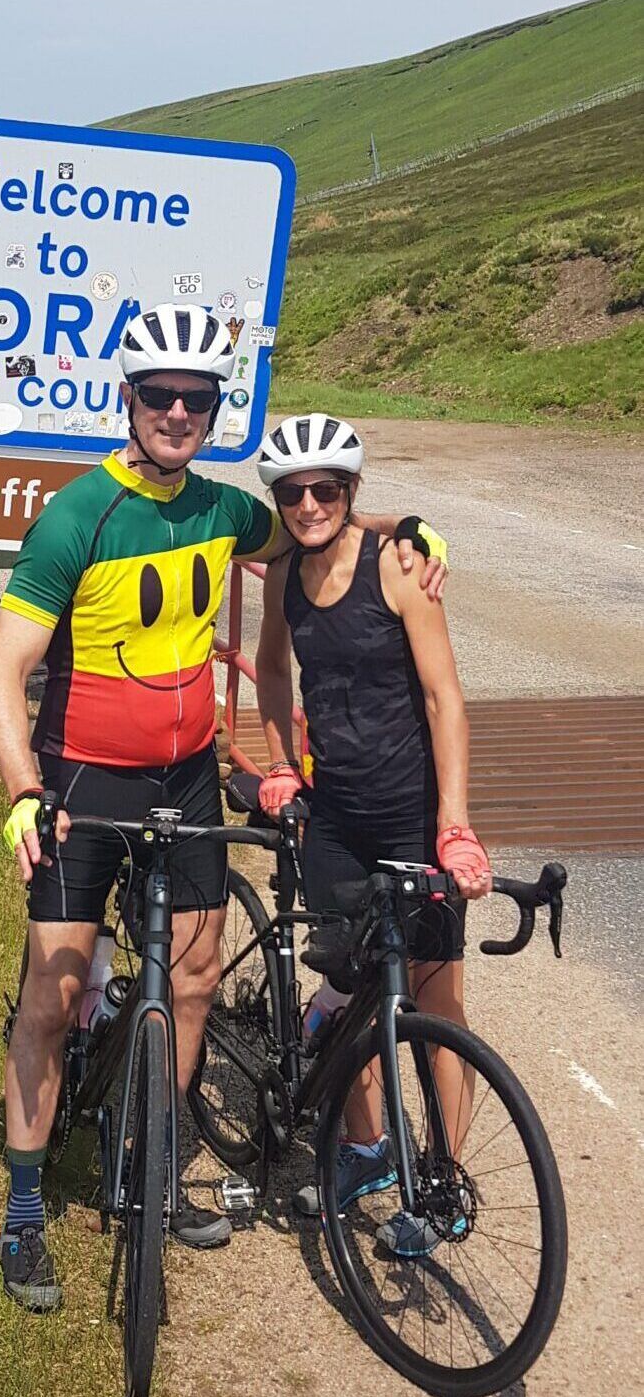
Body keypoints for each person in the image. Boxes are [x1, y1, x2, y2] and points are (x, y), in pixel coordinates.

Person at [0, 307, 447, 1310]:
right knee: (53, 997)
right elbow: (2, 670)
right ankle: (22, 1212)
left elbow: (321, 522)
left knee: (190, 980)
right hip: (79, 780)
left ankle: (153, 1173)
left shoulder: (228, 510)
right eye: (161, 395)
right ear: (129, 399)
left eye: (200, 397)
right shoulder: (76, 517)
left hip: (187, 775)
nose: (180, 412)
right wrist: (22, 791)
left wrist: (403, 532)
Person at [250, 413, 490, 1257]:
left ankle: (446, 1173)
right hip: (336, 816)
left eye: (324, 489)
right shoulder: (281, 573)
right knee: (348, 991)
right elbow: (273, 667)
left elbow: (443, 700)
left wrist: (453, 826)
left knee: (436, 999)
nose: (308, 503)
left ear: (349, 492)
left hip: (408, 812)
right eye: (291, 492)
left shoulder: (396, 568)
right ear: (278, 500)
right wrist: (280, 760)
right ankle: (364, 1148)